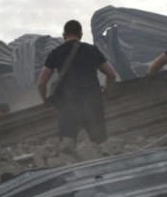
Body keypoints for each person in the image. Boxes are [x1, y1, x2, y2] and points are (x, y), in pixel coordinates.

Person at [37, 19, 117, 148]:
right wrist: (107, 92)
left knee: (67, 146)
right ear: (80, 34)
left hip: (68, 105)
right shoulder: (92, 50)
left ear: (64, 36)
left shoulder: (55, 53)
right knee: (101, 144)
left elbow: (41, 82)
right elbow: (111, 74)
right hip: (92, 102)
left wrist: (45, 100)